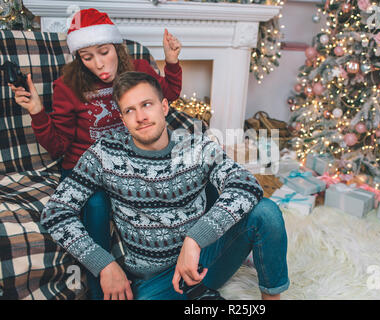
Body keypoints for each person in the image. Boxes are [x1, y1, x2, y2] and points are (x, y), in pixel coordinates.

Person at [40, 71, 290, 300]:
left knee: (265, 212)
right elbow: (55, 212)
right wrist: (104, 264)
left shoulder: (197, 146)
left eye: (147, 105)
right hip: (153, 280)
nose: (140, 117)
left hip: (204, 260)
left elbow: (246, 185)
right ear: (122, 118)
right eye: (129, 110)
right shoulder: (105, 153)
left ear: (164, 106)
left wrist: (195, 240)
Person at [8, 8, 182, 300]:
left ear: (115, 46)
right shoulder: (67, 86)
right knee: (98, 205)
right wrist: (37, 110)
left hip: (129, 160)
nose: (99, 64)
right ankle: (102, 285)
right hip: (85, 166)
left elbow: (166, 96)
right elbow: (59, 146)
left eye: (104, 52)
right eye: (87, 57)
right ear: (79, 58)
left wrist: (172, 62)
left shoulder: (138, 68)